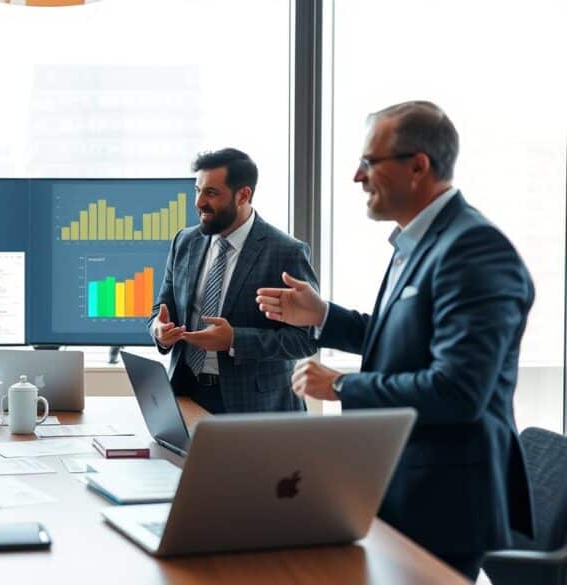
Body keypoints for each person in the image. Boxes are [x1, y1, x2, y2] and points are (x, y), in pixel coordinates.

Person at [255, 101, 533, 580]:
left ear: (418, 166)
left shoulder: (474, 249)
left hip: (445, 503)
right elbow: (399, 340)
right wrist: (322, 315)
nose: (356, 177)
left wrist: (341, 387)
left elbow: (457, 391)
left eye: (368, 162)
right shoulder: (417, 242)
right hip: (400, 485)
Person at [147, 148, 319, 414]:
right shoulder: (185, 242)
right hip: (186, 392)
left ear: (243, 195)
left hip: (257, 406)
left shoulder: (286, 252)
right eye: (197, 190)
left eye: (211, 193)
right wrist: (160, 330)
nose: (199, 202)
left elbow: (305, 339)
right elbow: (161, 309)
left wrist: (234, 340)